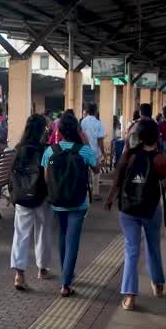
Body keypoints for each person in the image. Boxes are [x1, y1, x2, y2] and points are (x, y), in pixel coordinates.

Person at [105, 118, 166, 311]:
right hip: (151, 209)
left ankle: (130, 296)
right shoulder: (162, 159)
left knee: (131, 250)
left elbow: (117, 182)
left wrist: (109, 199)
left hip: (128, 209)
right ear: (157, 137)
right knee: (153, 246)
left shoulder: (128, 156)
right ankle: (158, 285)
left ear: (138, 136)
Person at [43, 111, 100, 297]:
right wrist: (86, 143)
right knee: (72, 240)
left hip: (58, 202)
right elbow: (96, 169)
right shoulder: (84, 150)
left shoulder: (50, 151)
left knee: (62, 236)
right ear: (77, 130)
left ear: (59, 130)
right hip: (78, 202)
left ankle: (66, 273)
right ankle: (66, 283)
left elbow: (46, 178)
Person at [9, 115, 56, 290]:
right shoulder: (46, 150)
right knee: (43, 231)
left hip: (22, 197)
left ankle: (19, 274)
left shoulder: (18, 149)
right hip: (42, 197)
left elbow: (11, 175)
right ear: (42, 130)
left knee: (21, 233)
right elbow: (49, 176)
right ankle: (42, 269)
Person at [79, 104, 107, 199]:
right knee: (96, 172)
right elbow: (100, 140)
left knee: (84, 171)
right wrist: (103, 152)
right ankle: (96, 193)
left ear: (87, 111)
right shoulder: (99, 123)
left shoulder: (83, 122)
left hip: (84, 150)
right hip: (95, 152)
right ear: (96, 111)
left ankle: (85, 191)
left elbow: (80, 137)